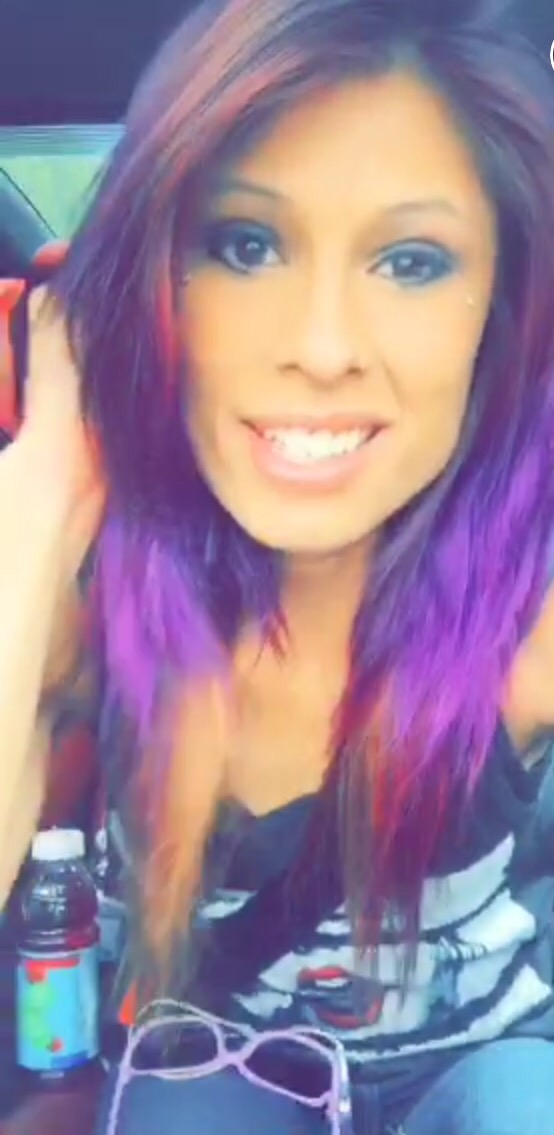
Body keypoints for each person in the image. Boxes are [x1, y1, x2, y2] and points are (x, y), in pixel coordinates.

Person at [3, 0, 554, 1131]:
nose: (319, 347)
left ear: (495, 316)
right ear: (149, 284)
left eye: (411, 262)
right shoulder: (94, 590)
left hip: (470, 1079)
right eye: (244, 245)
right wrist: (47, 479)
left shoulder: (525, 606)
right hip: (221, 1069)